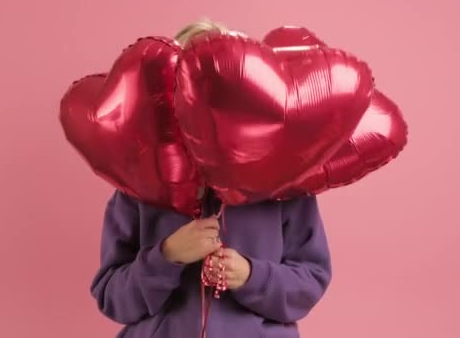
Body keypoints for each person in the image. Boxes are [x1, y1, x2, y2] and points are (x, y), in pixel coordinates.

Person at [89, 19, 332, 338]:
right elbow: (112, 297)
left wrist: (251, 275)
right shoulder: (138, 187)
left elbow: (311, 280)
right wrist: (167, 256)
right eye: (187, 85)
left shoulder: (284, 186)